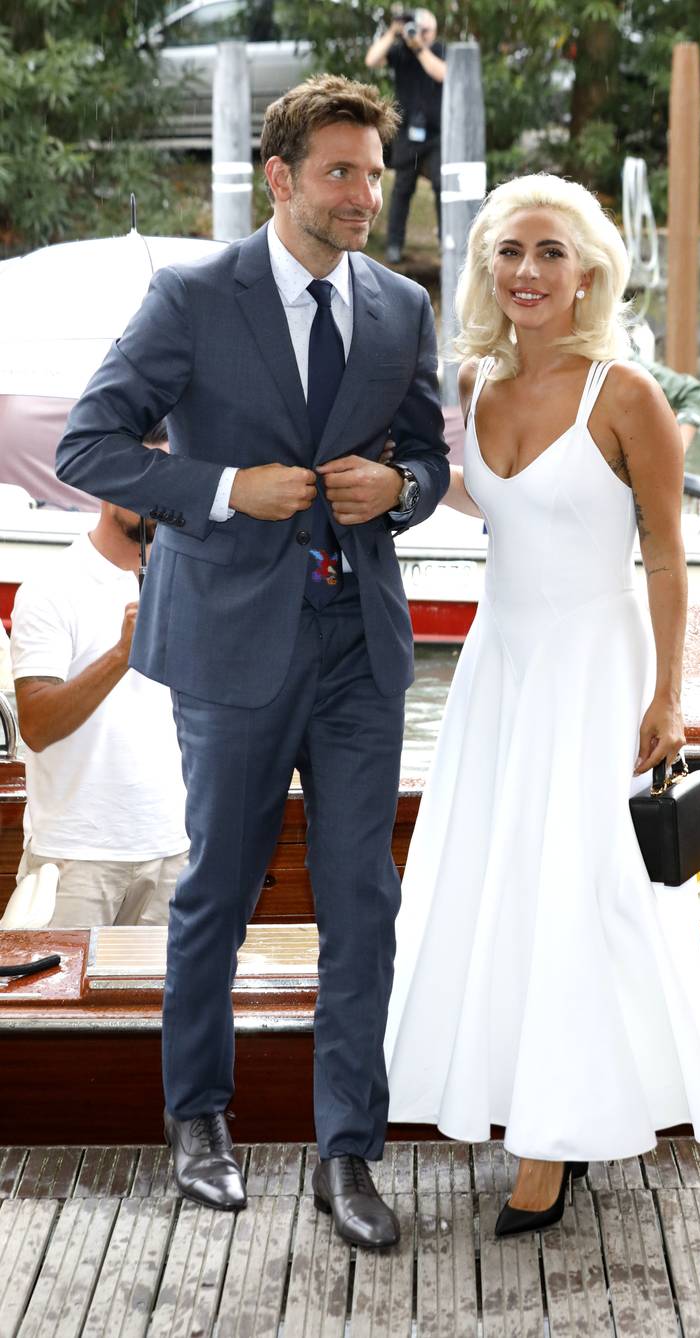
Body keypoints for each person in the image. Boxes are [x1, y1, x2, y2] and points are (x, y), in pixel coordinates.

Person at [56, 74, 450, 1240]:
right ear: (279, 178)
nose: (363, 195)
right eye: (340, 171)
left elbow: (426, 460)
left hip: (358, 650)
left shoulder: (400, 308)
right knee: (217, 895)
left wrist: (400, 491)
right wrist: (225, 489)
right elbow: (91, 443)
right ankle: (198, 1120)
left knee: (361, 904)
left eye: (372, 174)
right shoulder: (188, 297)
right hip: (229, 643)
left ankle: (347, 1154)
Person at [384, 173, 700, 1236]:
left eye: (547, 253)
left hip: (596, 669)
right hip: (501, 667)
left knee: (581, 893)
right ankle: (523, 1098)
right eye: (507, 252)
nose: (526, 272)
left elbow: (670, 560)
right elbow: (488, 498)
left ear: (586, 270)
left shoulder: (626, 394)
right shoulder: (473, 385)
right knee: (504, 882)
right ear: (485, 269)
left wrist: (669, 697)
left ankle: (552, 1138)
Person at [11, 423, 188, 928]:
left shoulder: (194, 585)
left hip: (176, 852)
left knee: (166, 1008)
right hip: (74, 860)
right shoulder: (51, 586)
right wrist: (121, 654)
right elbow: (37, 727)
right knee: (54, 1009)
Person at [365, 8, 445, 263]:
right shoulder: (401, 53)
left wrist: (420, 47)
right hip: (408, 132)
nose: (418, 35)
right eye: (416, 29)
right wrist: (393, 31)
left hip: (436, 132)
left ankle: (446, 241)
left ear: (433, 32)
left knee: (442, 186)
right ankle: (394, 245)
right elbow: (372, 60)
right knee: (402, 187)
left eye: (424, 31)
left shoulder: (439, 50)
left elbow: (441, 73)